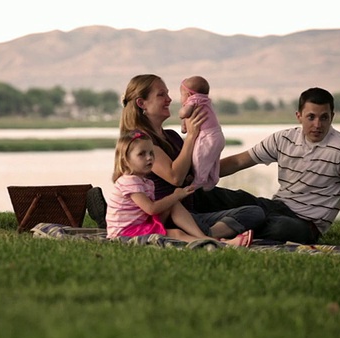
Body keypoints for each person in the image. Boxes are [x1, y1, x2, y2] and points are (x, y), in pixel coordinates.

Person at [210, 87, 340, 245]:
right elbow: (238, 162)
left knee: (282, 228)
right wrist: (197, 176)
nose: (317, 125)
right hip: (274, 207)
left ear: (332, 117)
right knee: (220, 196)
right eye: (311, 117)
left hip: (305, 224)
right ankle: (217, 224)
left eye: (324, 118)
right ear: (299, 116)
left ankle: (219, 227)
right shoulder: (283, 138)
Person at [118, 74, 266, 243]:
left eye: (168, 94)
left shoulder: (172, 136)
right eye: (161, 95)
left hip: (191, 214)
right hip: (169, 217)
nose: (169, 99)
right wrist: (192, 136)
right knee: (264, 222)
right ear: (141, 103)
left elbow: (194, 169)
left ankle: (208, 235)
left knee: (254, 212)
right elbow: (175, 177)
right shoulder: (141, 142)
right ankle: (206, 236)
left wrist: (252, 155)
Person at [105, 130, 250, 247]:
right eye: (141, 154)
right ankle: (218, 244)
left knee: (174, 207)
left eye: (151, 153)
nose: (149, 158)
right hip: (125, 233)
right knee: (176, 233)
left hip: (141, 225)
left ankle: (205, 238)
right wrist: (176, 195)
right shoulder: (129, 181)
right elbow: (151, 209)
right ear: (125, 159)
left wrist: (176, 197)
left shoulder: (144, 182)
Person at [178, 76, 225, 191]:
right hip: (217, 136)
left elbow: (185, 113)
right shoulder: (205, 101)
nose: (180, 98)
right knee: (212, 160)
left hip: (207, 136)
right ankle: (212, 179)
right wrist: (184, 125)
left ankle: (198, 181)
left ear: (189, 95)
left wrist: (181, 113)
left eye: (181, 94)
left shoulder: (194, 100)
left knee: (198, 158)